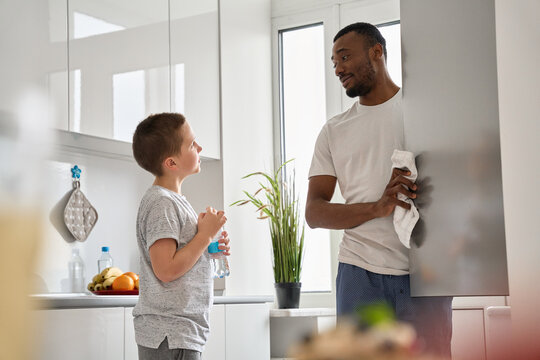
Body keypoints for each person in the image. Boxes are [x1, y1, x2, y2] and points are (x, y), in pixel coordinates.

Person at [305, 22, 452, 356]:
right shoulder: (333, 131)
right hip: (360, 273)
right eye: (333, 63)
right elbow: (314, 212)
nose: (338, 68)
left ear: (377, 52)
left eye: (344, 57)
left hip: (427, 274)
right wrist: (377, 206)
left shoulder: (424, 111)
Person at [131, 112, 230, 360]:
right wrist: (204, 237)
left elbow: (181, 257)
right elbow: (166, 269)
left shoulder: (173, 202)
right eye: (192, 144)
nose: (200, 147)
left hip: (176, 334)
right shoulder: (161, 204)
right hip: (170, 334)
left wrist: (210, 247)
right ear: (171, 163)